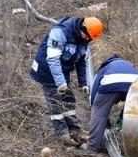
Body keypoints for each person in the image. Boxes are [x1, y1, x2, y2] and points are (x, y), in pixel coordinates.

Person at [30, 16, 104, 146]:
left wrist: (83, 83)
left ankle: (75, 129)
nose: (87, 39)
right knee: (55, 101)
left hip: (63, 70)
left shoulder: (84, 38)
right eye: (87, 36)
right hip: (46, 69)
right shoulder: (60, 32)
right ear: (83, 28)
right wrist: (60, 82)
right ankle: (62, 133)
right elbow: (52, 59)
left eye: (89, 38)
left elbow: (82, 61)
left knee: (67, 99)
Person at [87, 54, 138, 152]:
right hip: (136, 84)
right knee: (134, 115)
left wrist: (96, 108)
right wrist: (123, 114)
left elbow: (94, 90)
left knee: (99, 113)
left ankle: (92, 146)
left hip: (110, 84)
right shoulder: (130, 65)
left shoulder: (105, 67)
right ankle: (135, 149)